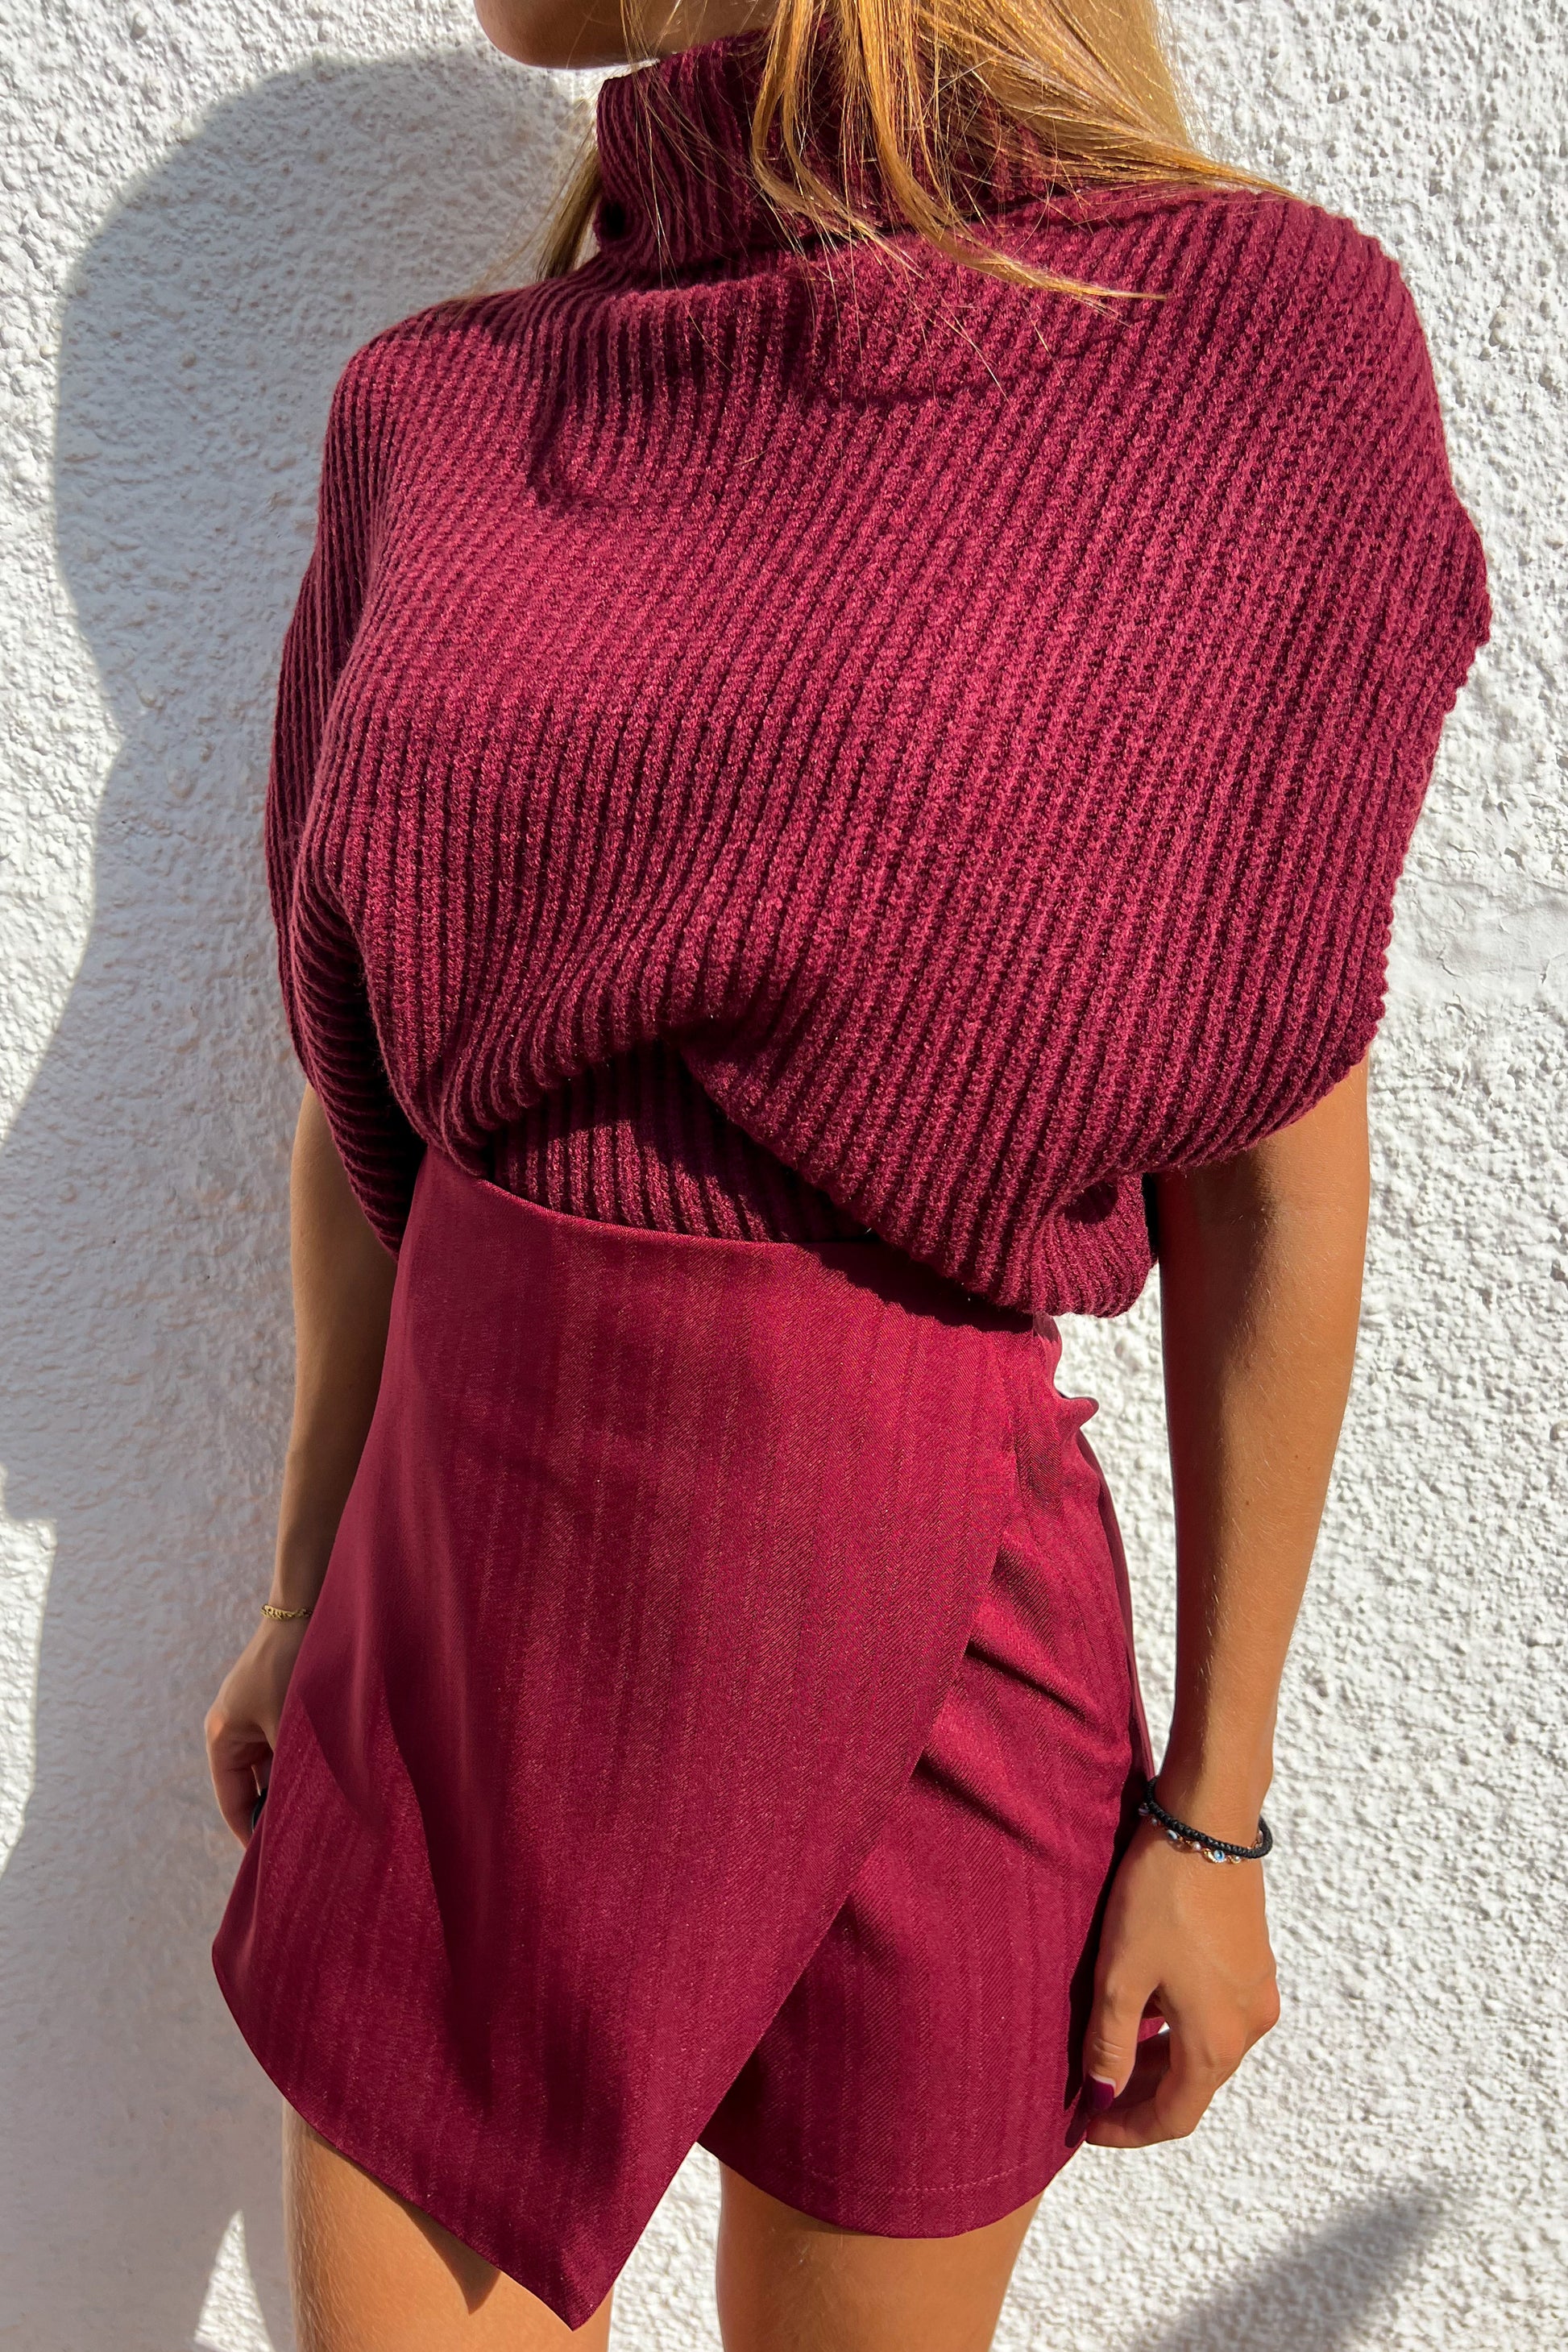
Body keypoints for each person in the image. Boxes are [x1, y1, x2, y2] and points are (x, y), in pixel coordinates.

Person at [203, 1, 1489, 2345]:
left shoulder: (1235, 346)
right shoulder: (440, 404)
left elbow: (1273, 1165)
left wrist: (1213, 1813)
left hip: (932, 1605)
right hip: (463, 1599)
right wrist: (305, 1585)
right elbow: (363, 1077)